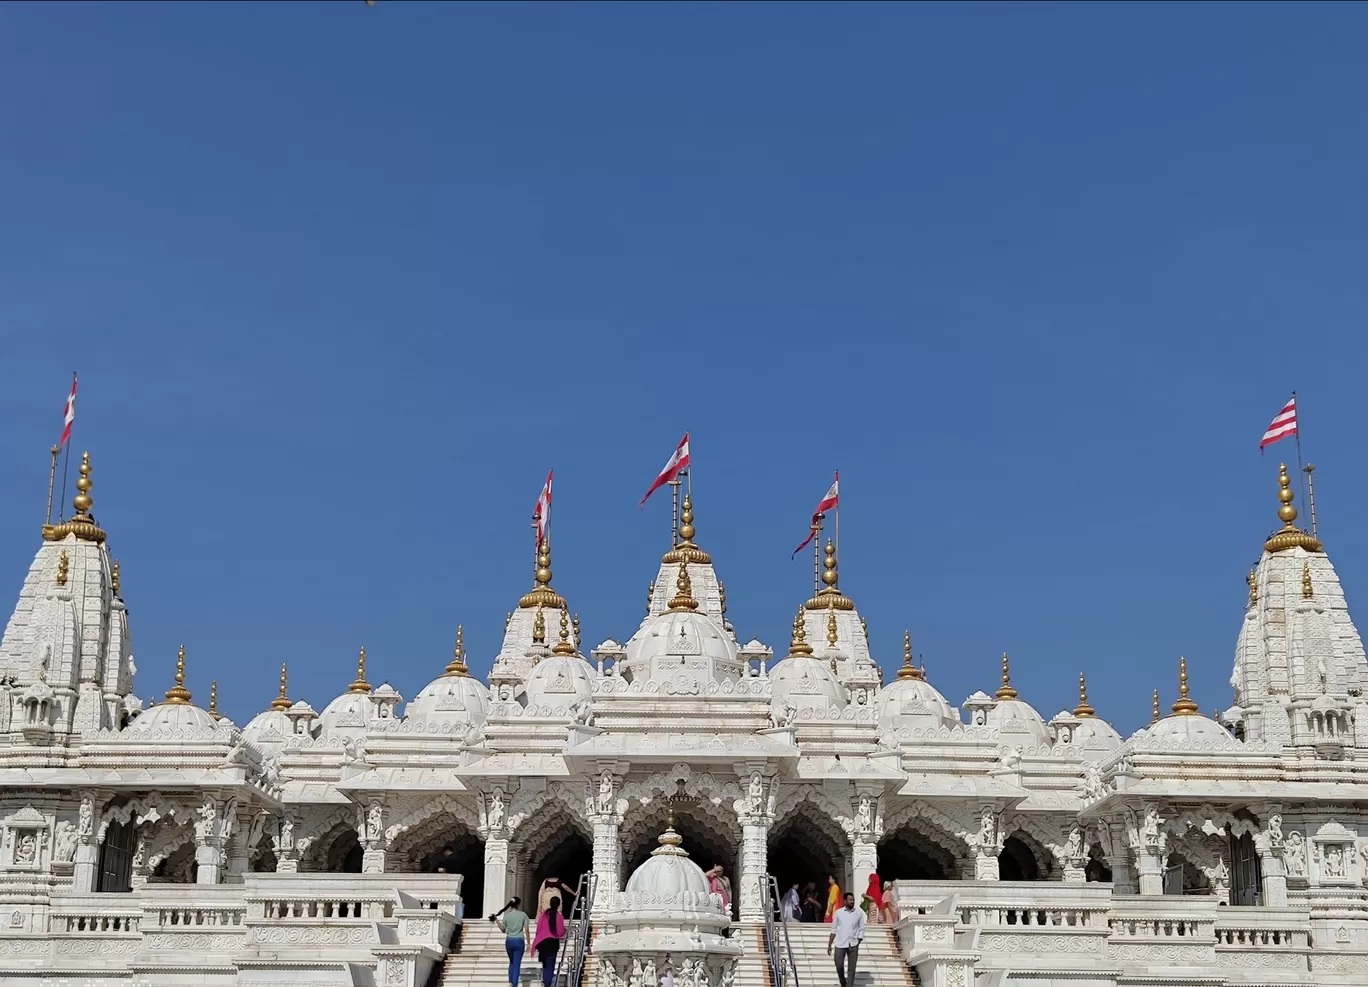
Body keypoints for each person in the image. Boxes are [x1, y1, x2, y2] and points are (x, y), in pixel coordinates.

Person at [826, 891, 865, 987]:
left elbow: (861, 928)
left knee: (852, 969)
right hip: (840, 944)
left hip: (853, 944)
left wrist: (858, 940)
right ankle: (843, 982)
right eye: (850, 900)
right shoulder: (838, 913)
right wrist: (829, 944)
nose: (852, 901)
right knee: (839, 965)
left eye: (853, 900)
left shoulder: (858, 913)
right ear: (844, 901)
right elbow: (833, 930)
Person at [491, 896, 529, 987]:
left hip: (509, 941)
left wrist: (496, 920)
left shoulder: (507, 916)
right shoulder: (523, 915)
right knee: (516, 964)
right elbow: (526, 930)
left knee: (511, 962)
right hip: (519, 941)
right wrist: (529, 943)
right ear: (518, 904)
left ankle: (510, 981)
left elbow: (503, 930)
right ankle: (514, 984)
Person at [531, 895, 565, 987]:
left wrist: (535, 942)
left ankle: (546, 982)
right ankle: (547, 983)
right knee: (550, 966)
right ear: (558, 905)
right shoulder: (559, 916)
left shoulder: (543, 915)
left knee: (545, 966)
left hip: (542, 943)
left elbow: (538, 929)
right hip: (552, 943)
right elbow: (560, 932)